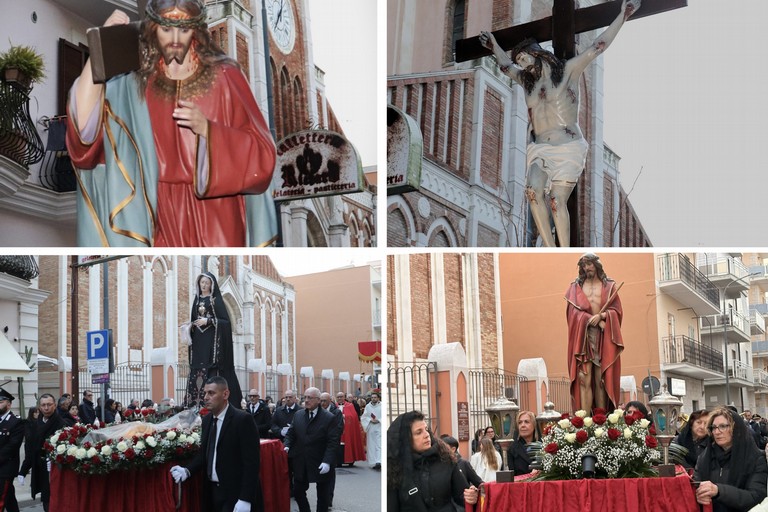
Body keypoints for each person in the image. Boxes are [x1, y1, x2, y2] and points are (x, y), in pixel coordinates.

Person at [65, 0, 277, 247]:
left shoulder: (225, 76)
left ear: (196, 31)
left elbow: (263, 154)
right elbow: (84, 134)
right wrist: (100, 48)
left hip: (214, 212)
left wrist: (209, 131)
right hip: (152, 210)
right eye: (167, 29)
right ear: (153, 29)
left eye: (184, 29)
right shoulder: (134, 80)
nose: (175, 38)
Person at [479, 0, 639, 247]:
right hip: (540, 149)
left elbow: (598, 46)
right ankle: (550, 249)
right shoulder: (526, 81)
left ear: (536, 53)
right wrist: (493, 46)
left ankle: (564, 251)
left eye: (524, 59)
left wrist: (623, 15)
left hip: (568, 148)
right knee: (532, 192)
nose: (521, 65)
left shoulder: (567, 72)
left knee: (555, 201)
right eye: (519, 62)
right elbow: (504, 66)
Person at [171, 376, 262, 512]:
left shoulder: (242, 420)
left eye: (211, 393)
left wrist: (245, 498)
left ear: (225, 394)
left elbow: (252, 463)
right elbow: (205, 454)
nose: (206, 397)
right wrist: (188, 470)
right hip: (211, 493)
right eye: (205, 393)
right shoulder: (207, 420)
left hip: (235, 494)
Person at [565, 253, 623, 413]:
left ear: (597, 265)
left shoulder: (609, 286)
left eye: (589, 264)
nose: (586, 268)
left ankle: (601, 420)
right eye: (583, 265)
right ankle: (584, 422)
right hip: (582, 337)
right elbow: (571, 314)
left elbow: (616, 311)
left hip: (602, 336)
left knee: (600, 380)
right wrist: (586, 318)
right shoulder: (574, 287)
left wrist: (603, 316)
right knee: (584, 379)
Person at [387, 411, 478, 512]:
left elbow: (462, 496)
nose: (426, 435)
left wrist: (471, 496)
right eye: (418, 432)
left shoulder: (445, 459)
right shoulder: (394, 468)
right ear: (406, 439)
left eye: (426, 429)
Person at [186, 272, 243, 409]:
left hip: (212, 344)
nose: (204, 285)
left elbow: (225, 322)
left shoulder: (215, 300)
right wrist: (189, 325)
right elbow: (194, 319)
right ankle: (195, 404)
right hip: (199, 342)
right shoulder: (197, 300)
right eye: (202, 283)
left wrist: (209, 321)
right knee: (197, 369)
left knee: (211, 369)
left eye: (207, 283)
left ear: (211, 285)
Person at [693, 406, 767, 511]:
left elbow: (755, 497)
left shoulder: (755, 458)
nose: (717, 432)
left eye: (723, 426)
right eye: (713, 427)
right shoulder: (704, 458)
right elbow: (695, 486)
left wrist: (718, 491)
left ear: (736, 429)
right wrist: (698, 495)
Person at [284, 387, 342, 512]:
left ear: (318, 400)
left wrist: (327, 461)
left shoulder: (329, 418)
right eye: (305, 397)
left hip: (321, 460)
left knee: (323, 495)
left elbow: (333, 442)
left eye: (310, 398)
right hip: (302, 460)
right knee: (298, 490)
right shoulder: (298, 415)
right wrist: (287, 445)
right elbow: (291, 433)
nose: (306, 400)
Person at [18, 394, 65, 512]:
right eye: (43, 405)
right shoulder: (35, 425)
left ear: (54, 405)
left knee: (56, 501)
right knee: (46, 500)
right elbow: (31, 450)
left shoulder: (62, 423)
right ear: (39, 407)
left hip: (57, 470)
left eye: (49, 404)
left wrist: (57, 460)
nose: (46, 407)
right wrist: (23, 471)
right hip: (41, 469)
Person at [0, 389, 24, 512]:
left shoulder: (16, 422)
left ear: (9, 404)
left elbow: (12, 445)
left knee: (1, 498)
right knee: (9, 499)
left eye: (1, 401)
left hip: (5, 468)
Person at [319, 392, 344, 509]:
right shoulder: (318, 411)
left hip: (332, 447)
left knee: (330, 475)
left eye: (325, 401)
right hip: (319, 447)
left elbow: (339, 429)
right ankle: (323, 498)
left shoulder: (336, 412)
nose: (322, 403)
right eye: (321, 401)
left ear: (330, 401)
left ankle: (328, 499)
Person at [335, 392, 366, 466]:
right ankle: (339, 461)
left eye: (341, 397)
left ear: (344, 397)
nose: (339, 398)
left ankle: (350, 460)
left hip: (348, 429)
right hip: (338, 430)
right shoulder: (334, 406)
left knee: (349, 443)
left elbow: (353, 417)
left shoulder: (350, 406)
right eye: (338, 397)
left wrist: (344, 416)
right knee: (338, 445)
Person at [506, 410, 538, 476]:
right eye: (520, 422)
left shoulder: (543, 446)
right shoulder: (512, 448)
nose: (522, 425)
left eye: (526, 422)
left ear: (534, 425)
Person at [360, 391, 382, 470]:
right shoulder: (368, 407)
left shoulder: (381, 406)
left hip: (379, 426)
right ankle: (373, 462)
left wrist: (379, 420)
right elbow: (364, 417)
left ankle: (379, 461)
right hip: (371, 427)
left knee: (379, 445)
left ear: (378, 398)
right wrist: (370, 420)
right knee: (371, 445)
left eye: (375, 397)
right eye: (372, 397)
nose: (373, 399)